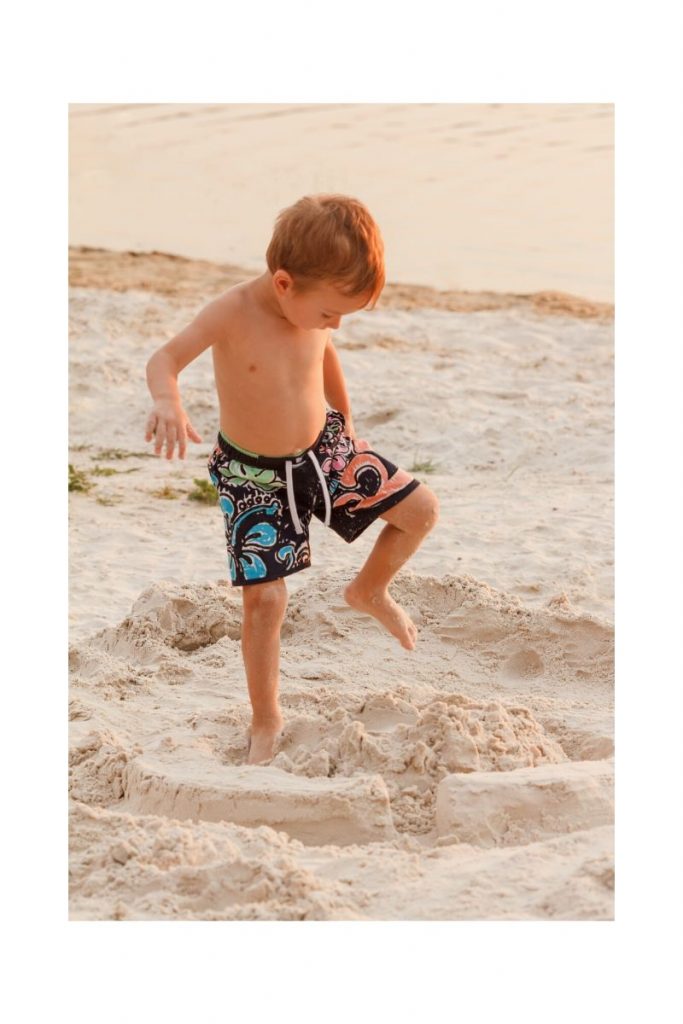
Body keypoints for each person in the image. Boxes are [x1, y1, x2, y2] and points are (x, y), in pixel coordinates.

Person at [144, 193, 440, 764]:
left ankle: (369, 590)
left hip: (324, 449)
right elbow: (165, 358)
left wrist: (347, 419)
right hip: (253, 474)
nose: (335, 325)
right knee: (265, 601)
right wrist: (167, 402)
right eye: (331, 312)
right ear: (283, 283)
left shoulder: (312, 309)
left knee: (420, 511)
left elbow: (326, 354)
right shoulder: (230, 312)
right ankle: (265, 718)